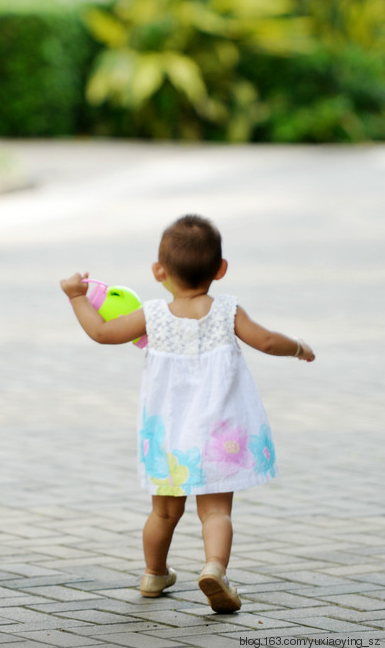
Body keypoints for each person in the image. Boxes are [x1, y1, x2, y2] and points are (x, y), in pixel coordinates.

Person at [60, 214, 315, 613]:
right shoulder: (228, 311)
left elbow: (101, 333)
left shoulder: (152, 315)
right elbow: (266, 341)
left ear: (159, 271)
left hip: (168, 434)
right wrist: (298, 346)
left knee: (163, 511)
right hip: (219, 434)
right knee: (215, 510)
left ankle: (154, 572)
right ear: (220, 270)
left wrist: (77, 295)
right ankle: (214, 568)